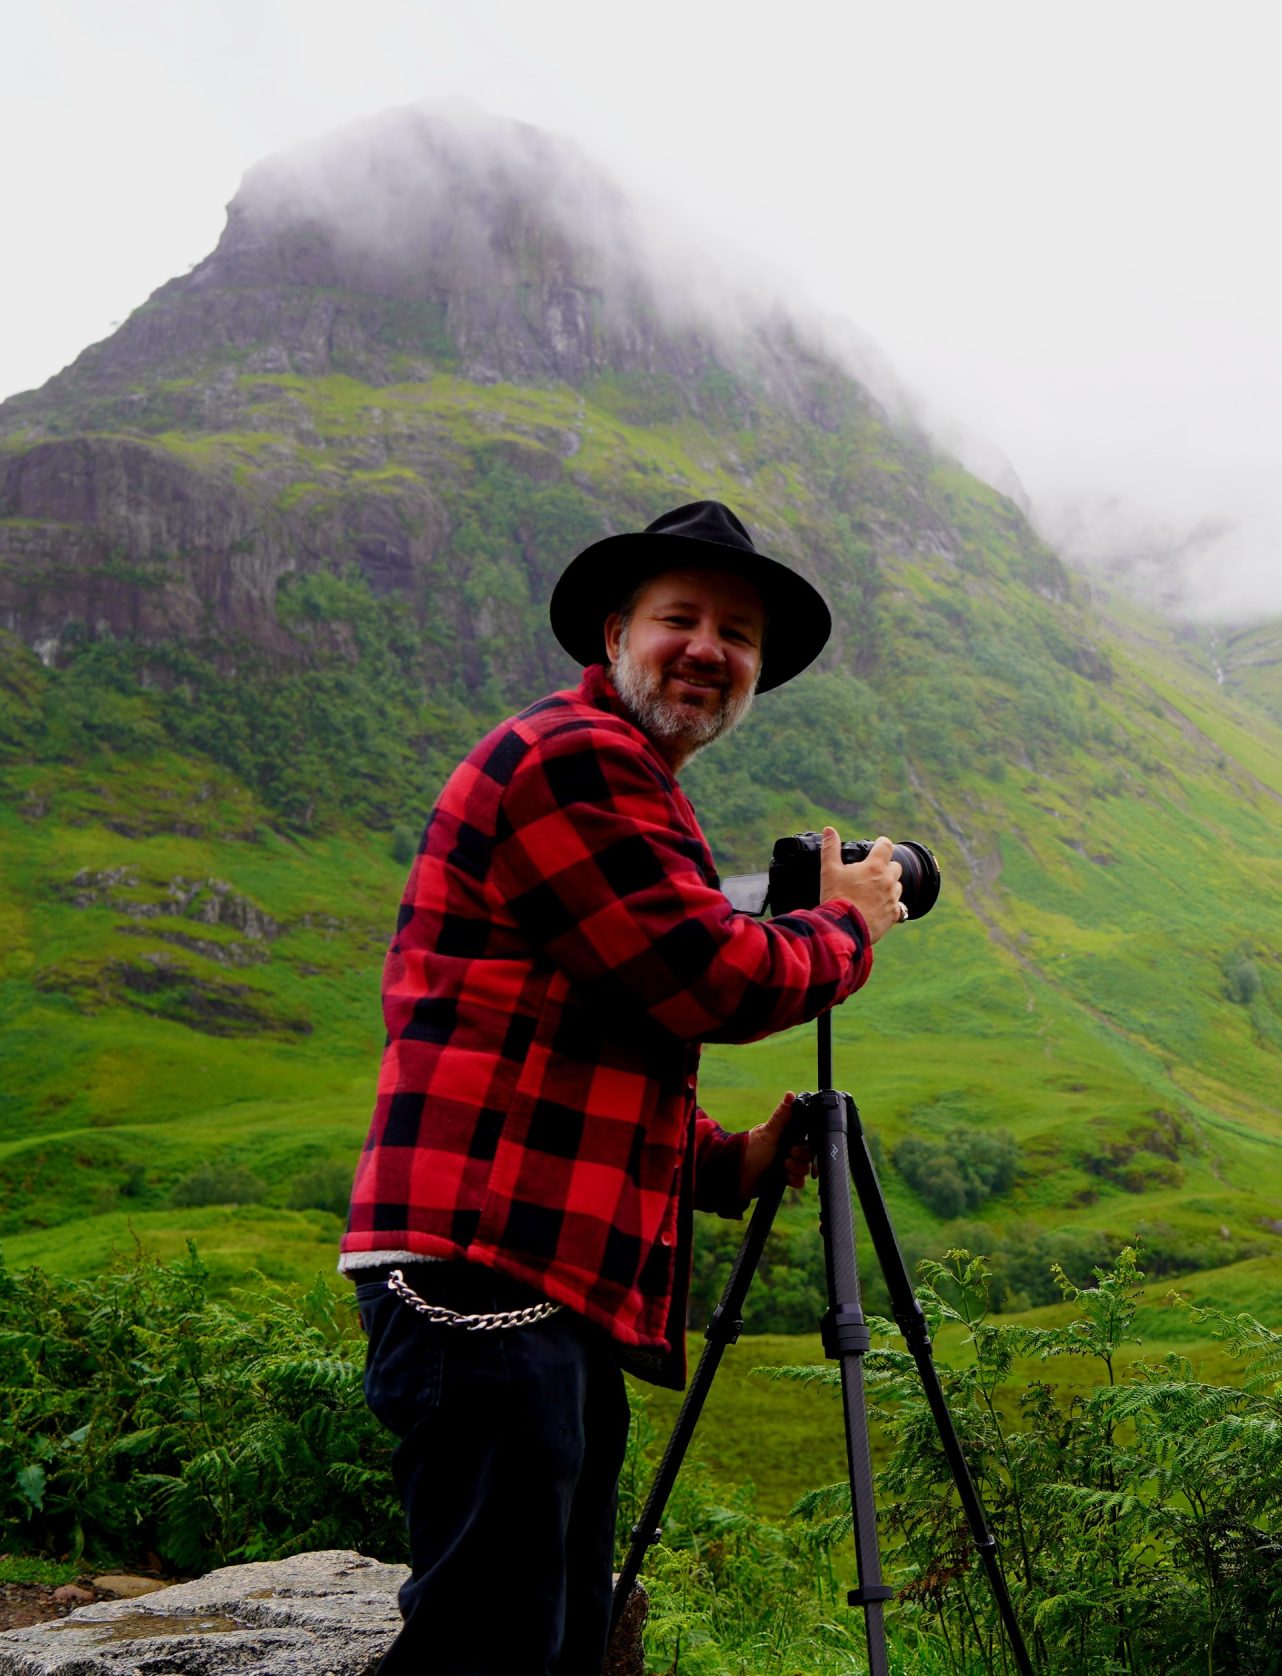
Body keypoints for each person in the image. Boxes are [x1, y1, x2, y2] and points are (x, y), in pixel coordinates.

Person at [338, 500, 907, 1676]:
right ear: (613, 632)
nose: (708, 648)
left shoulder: (628, 779)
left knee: (546, 1643)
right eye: (679, 619)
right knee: (489, 1649)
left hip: (534, 1281)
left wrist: (732, 1162)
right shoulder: (574, 758)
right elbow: (704, 977)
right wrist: (844, 927)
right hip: (487, 1274)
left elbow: (598, 1040)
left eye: (736, 633)